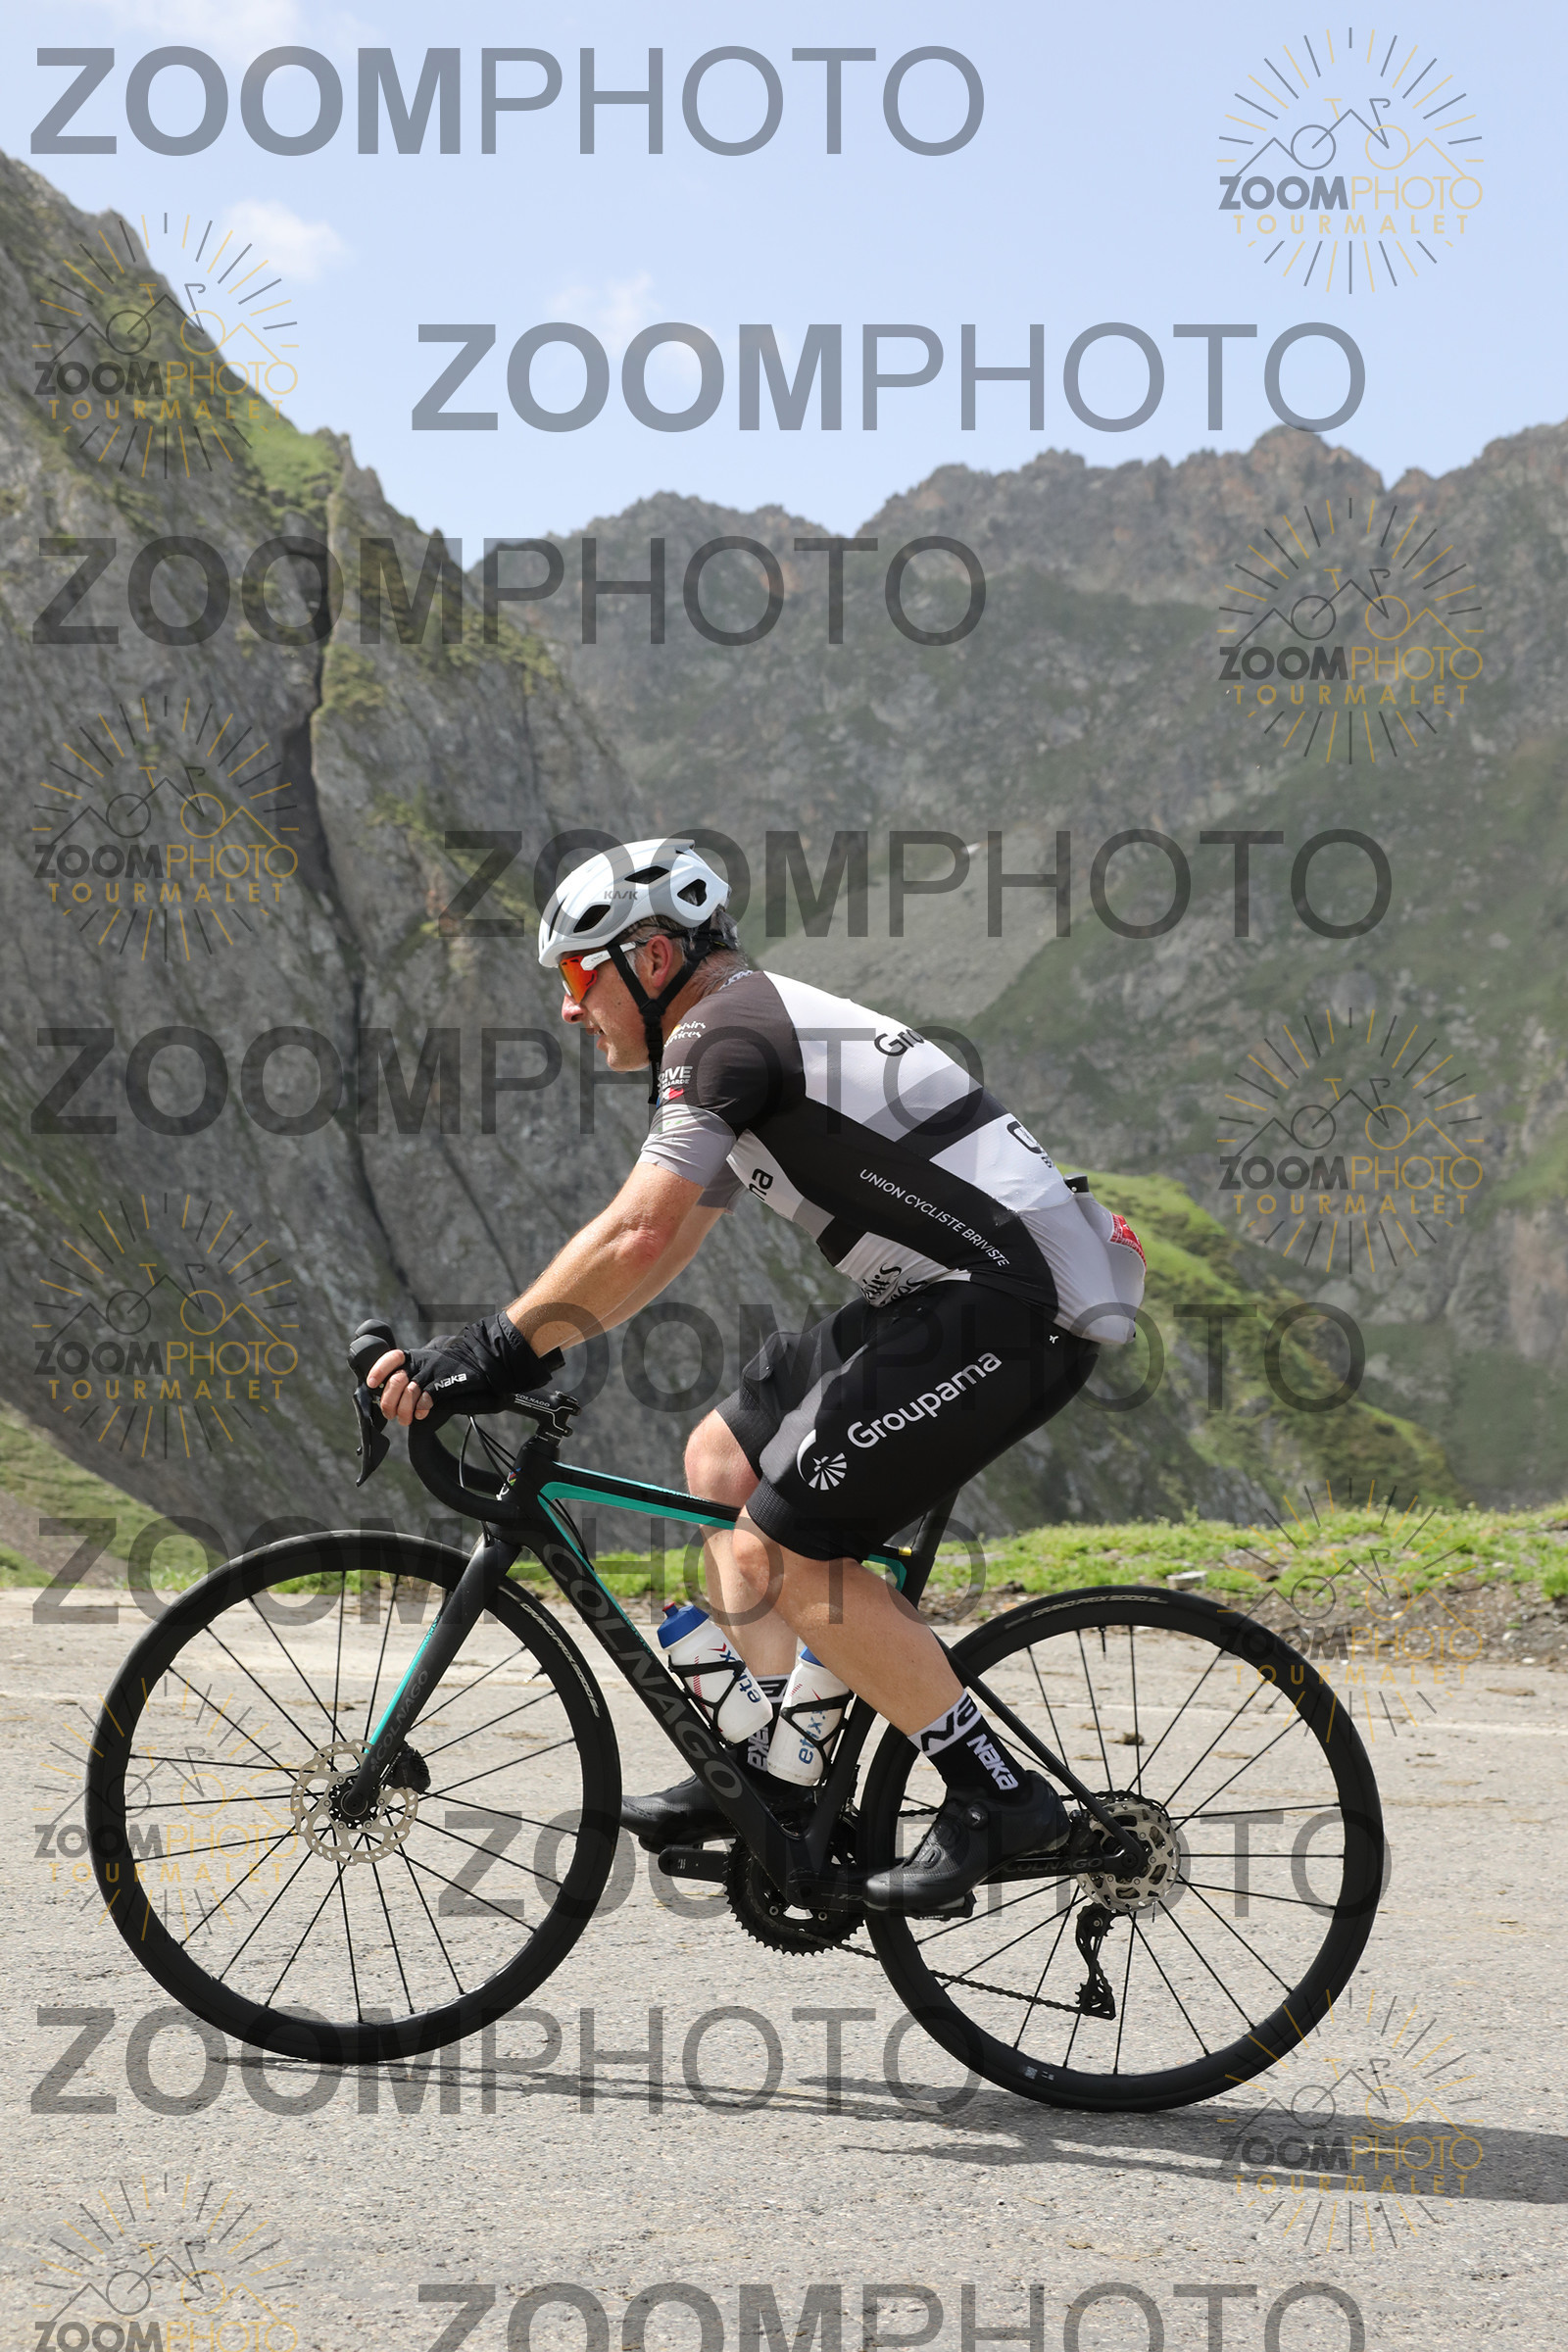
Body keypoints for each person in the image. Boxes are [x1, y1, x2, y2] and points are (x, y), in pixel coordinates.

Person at [368, 838, 1146, 1910]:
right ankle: (783, 1770)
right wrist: (532, 1342)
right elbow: (668, 1244)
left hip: (1011, 1303)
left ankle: (996, 1795)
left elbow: (637, 1233)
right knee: (722, 1462)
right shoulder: (738, 1027)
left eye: (578, 975)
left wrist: (495, 1349)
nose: (568, 1008)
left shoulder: (723, 1035)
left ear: (650, 958)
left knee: (783, 1545)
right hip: (944, 1295)